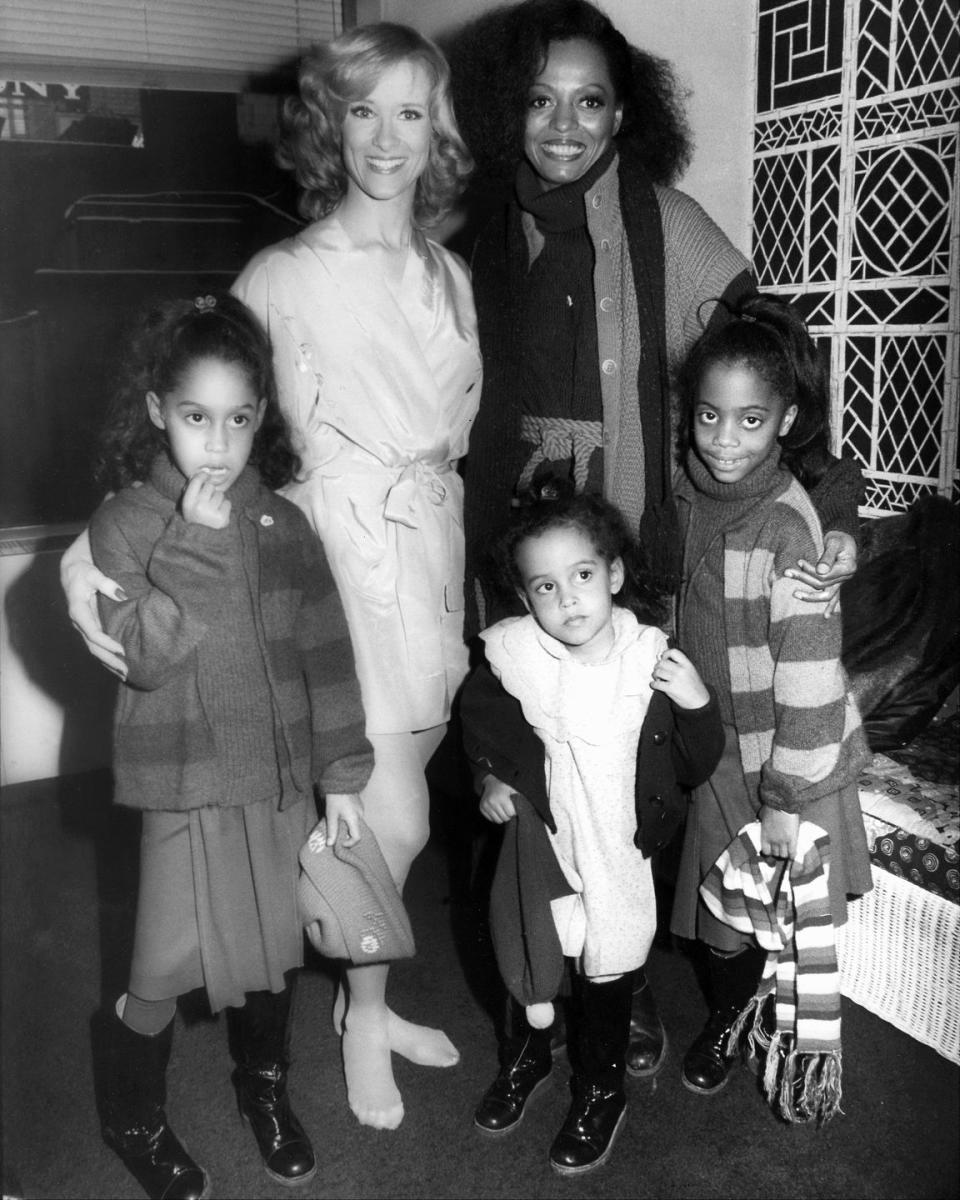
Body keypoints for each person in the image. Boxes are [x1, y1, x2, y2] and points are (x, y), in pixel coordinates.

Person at [63, 23, 482, 1132]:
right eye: (362, 109)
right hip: (332, 562)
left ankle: (366, 997)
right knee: (376, 816)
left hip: (433, 555)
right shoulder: (281, 274)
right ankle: (362, 1009)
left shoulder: (452, 274)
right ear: (327, 123)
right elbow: (196, 406)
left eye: (410, 111)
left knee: (413, 818)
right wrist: (83, 548)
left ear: (436, 126)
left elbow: (454, 439)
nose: (386, 137)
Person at [448, 0, 862, 1110]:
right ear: (507, 111)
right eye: (540, 100)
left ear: (625, 112)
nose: (565, 124)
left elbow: (768, 351)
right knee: (539, 775)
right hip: (526, 554)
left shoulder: (666, 224)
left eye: (590, 100)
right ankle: (588, 989)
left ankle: (622, 976)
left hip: (630, 563)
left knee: (628, 786)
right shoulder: (481, 237)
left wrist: (831, 510)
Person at [86, 293, 374, 1199]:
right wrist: (196, 546)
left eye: (239, 419)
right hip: (182, 787)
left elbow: (326, 656)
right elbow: (143, 658)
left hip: (277, 782)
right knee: (160, 965)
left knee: (272, 951)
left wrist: (342, 775)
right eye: (195, 417)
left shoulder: (284, 525)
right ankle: (131, 1114)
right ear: (155, 412)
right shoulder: (127, 524)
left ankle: (266, 1089)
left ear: (262, 420)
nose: (217, 442)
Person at [459, 491, 723, 1174]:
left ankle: (600, 1088)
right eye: (545, 586)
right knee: (530, 949)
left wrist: (697, 707)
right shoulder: (517, 654)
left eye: (581, 575)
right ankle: (525, 1057)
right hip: (545, 841)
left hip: (615, 848)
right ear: (524, 596)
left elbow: (697, 763)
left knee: (606, 961)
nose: (567, 599)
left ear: (613, 575)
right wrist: (493, 778)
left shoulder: (649, 660)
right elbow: (483, 722)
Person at [669, 293, 873, 1113]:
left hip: (788, 756)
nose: (724, 440)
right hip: (722, 744)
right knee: (723, 917)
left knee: (762, 919)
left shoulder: (791, 536)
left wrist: (785, 800)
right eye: (710, 416)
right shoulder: (690, 493)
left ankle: (735, 1020)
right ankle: (728, 1007)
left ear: (786, 420)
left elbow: (812, 680)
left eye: (750, 422)